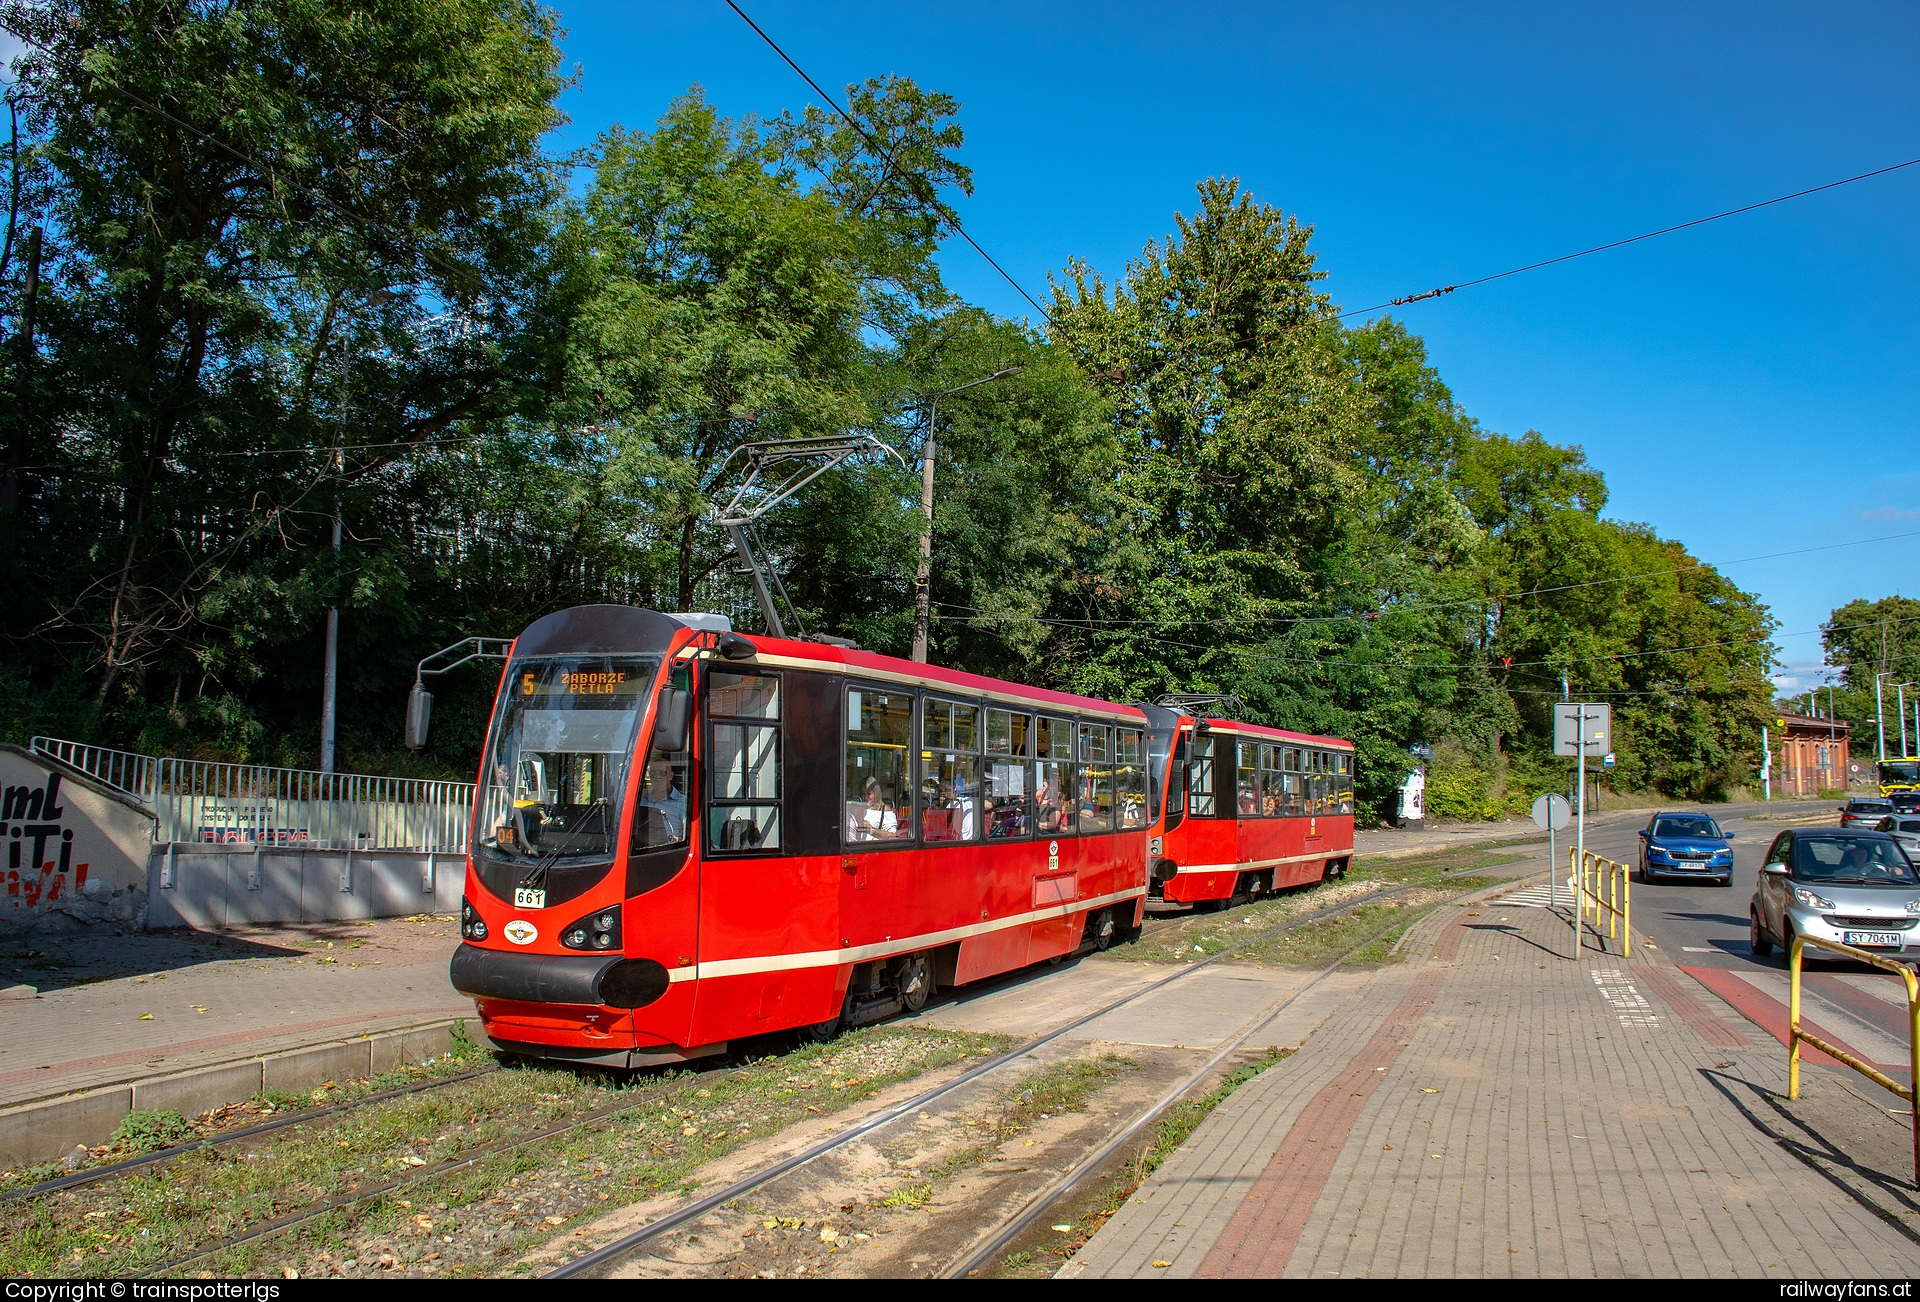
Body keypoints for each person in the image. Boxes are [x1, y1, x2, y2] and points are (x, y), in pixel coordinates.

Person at [637, 758, 687, 842]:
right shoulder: (641, 801)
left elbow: (691, 837)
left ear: (671, 776)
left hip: (671, 851)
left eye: (662, 773)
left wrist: (678, 840)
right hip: (643, 850)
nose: (657, 777)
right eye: (653, 773)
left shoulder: (682, 803)